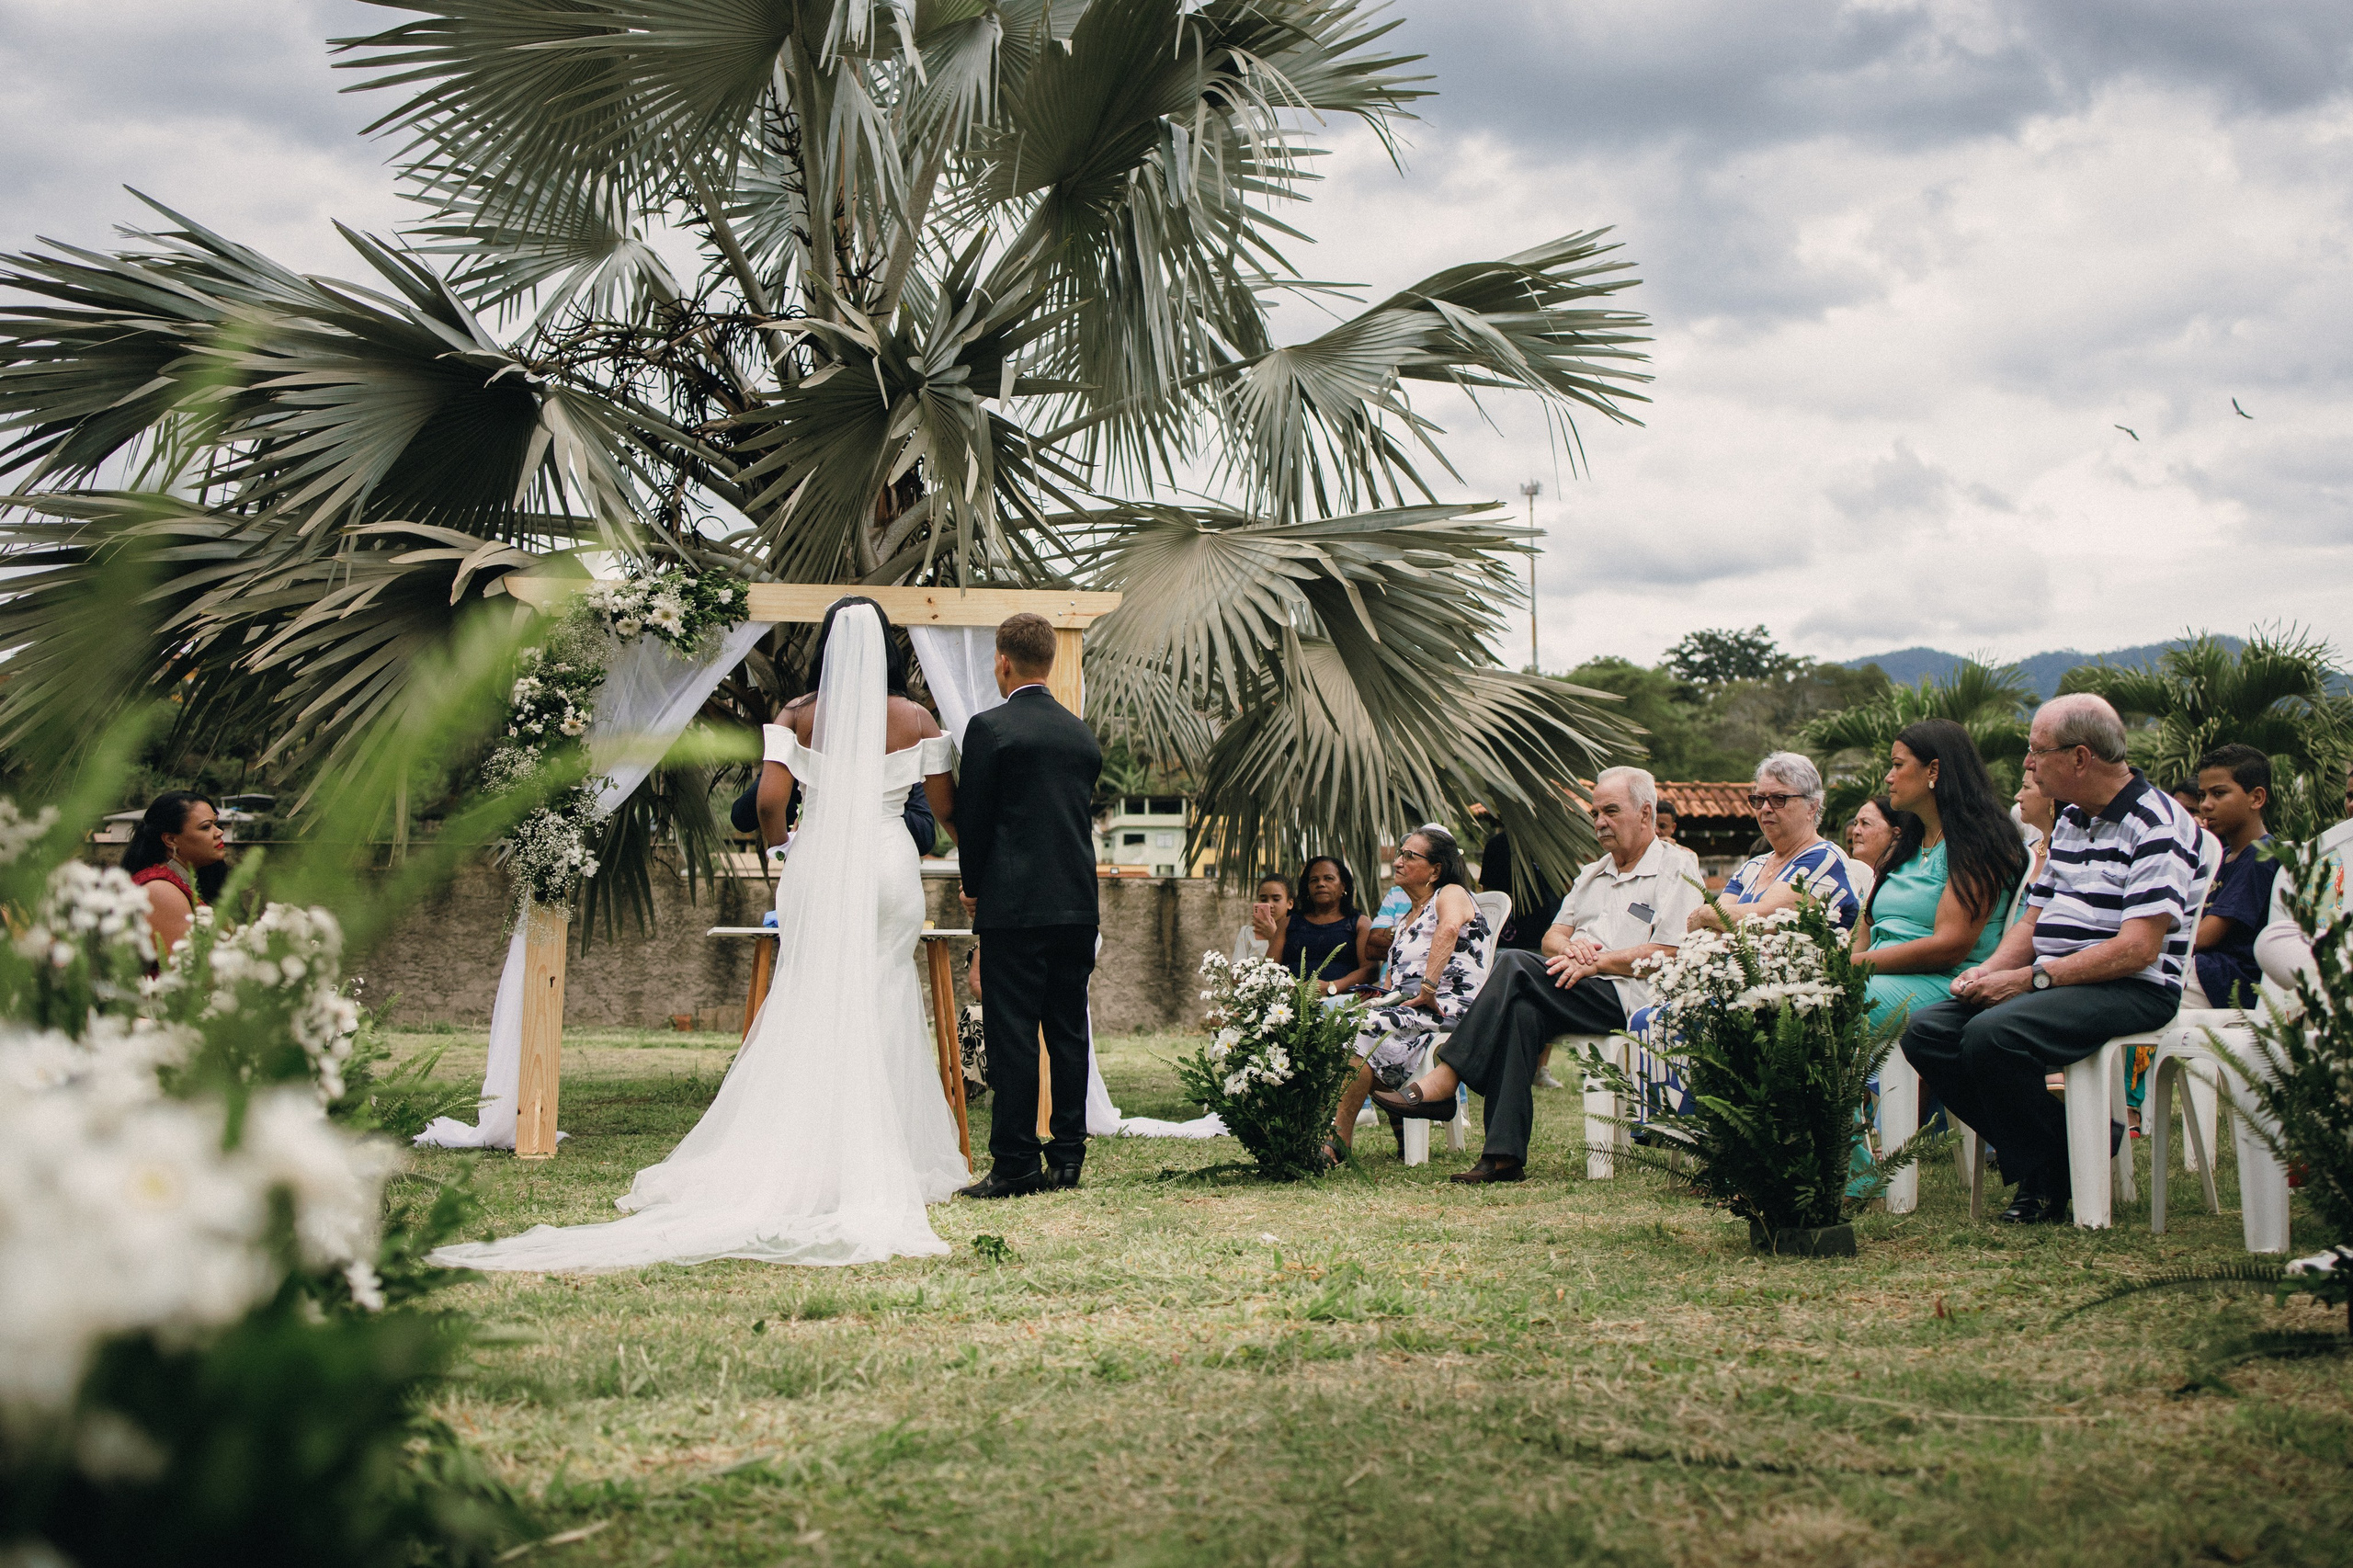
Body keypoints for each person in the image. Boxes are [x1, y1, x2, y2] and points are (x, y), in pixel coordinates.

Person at [431, 597, 971, 1271]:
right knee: (886, 990)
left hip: (820, 862)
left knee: (810, 991)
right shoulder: (917, 719)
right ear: (889, 649)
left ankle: (801, 1150)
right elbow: (947, 809)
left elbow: (770, 801)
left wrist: (783, 849)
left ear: (829, 648)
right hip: (889, 870)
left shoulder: (799, 714)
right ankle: (897, 1155)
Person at [1898, 694, 2201, 1225]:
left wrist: (2032, 980)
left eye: (2037, 751)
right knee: (1927, 1031)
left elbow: (2138, 948)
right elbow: (2034, 919)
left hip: (2131, 985)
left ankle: (2044, 1180)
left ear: (2080, 758)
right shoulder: (2071, 821)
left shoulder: (2158, 824)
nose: (2027, 764)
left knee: (1993, 1035)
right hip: (2058, 981)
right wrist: (1990, 971)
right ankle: (2071, 1151)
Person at [1372, 768, 1702, 1184]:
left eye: (1611, 811)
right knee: (1522, 1011)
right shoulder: (1593, 873)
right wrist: (1573, 950)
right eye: (1596, 812)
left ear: (1645, 813)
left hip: (1631, 997)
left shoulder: (1677, 866)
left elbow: (1670, 952)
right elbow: (1553, 937)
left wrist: (1598, 961)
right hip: (1574, 986)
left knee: (1511, 961)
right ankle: (1503, 1157)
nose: (1599, 822)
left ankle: (1447, 1075)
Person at [954, 612, 1106, 1199]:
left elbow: (976, 818)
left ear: (1003, 661)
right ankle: (1066, 1159)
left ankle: (1016, 1163)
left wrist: (973, 886)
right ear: (1052, 662)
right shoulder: (1080, 733)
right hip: (1076, 904)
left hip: (1015, 906)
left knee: (1012, 1033)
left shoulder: (990, 729)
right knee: (1067, 1031)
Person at [1323, 827, 1490, 1162]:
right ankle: (1372, 1136)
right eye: (1399, 854)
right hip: (1412, 1006)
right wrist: (1379, 998)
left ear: (1436, 869)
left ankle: (1335, 1144)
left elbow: (1450, 928)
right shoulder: (1407, 918)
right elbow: (1397, 978)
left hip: (1446, 1005)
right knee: (1348, 1021)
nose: (1398, 861)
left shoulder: (1451, 893)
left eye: (1409, 856)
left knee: (1360, 1027)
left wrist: (1428, 988)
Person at [1852, 722, 2029, 1025]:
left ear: (1933, 770)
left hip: (1946, 984)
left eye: (1898, 765)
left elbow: (1949, 947)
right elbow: (1865, 928)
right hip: (1877, 976)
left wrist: (1851, 967)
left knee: (1826, 1002)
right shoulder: (1906, 845)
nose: (1888, 777)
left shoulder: (1979, 844)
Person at [1688, 753, 1863, 935]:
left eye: (1779, 799)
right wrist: (1715, 918)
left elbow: (1763, 919)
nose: (1765, 808)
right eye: (1759, 799)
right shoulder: (1752, 867)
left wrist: (1703, 914)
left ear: (1811, 806)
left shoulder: (1824, 857)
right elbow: (1708, 932)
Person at [2182, 744, 2279, 1010]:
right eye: (2202, 795)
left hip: (2226, 979)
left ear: (2256, 798)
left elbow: (2207, 935)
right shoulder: (2220, 855)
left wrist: (2152, 945)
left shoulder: (2261, 856)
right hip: (2204, 969)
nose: (2205, 805)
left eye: (2219, 794)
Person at [120, 790, 229, 960]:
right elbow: (184, 973)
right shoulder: (160, 890)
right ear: (171, 840)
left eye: (216, 824)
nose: (219, 832)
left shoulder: (186, 882)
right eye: (206, 827)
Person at [1264, 857, 1372, 995]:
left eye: (1329, 878)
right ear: (1307, 887)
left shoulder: (1359, 923)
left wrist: (1331, 987)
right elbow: (1268, 970)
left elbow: (1370, 970)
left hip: (1343, 1006)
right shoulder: (1288, 924)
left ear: (1343, 886)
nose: (1321, 884)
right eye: (1314, 880)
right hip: (1290, 1005)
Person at [1846, 796, 1907, 876]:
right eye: (1855, 824)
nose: (1855, 831)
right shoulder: (1845, 876)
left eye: (1865, 823)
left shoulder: (1905, 880)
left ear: (1894, 834)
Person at [2015, 774, 2058, 883]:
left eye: (2026, 787)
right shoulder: (2020, 853)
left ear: (2052, 796)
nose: (2017, 797)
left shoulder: (2077, 858)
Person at [1239, 873, 1291, 961]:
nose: (1269, 904)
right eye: (1263, 900)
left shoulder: (1296, 932)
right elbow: (1236, 971)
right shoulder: (1247, 933)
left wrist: (1273, 937)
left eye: (1276, 899)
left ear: (1290, 903)